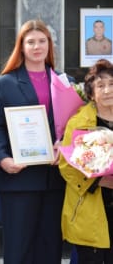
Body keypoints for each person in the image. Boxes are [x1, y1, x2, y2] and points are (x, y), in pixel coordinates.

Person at [0, 19, 66, 264]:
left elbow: (73, 127)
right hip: (19, 179)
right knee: (18, 250)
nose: (37, 46)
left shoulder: (64, 81)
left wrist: (64, 145)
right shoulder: (4, 83)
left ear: (49, 45)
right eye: (30, 42)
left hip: (54, 178)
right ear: (21, 47)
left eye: (42, 41)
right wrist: (2, 159)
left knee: (50, 248)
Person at [59, 58, 113, 263]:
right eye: (100, 86)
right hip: (91, 206)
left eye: (111, 84)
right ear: (91, 94)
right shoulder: (79, 123)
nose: (107, 90)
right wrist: (99, 181)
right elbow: (66, 166)